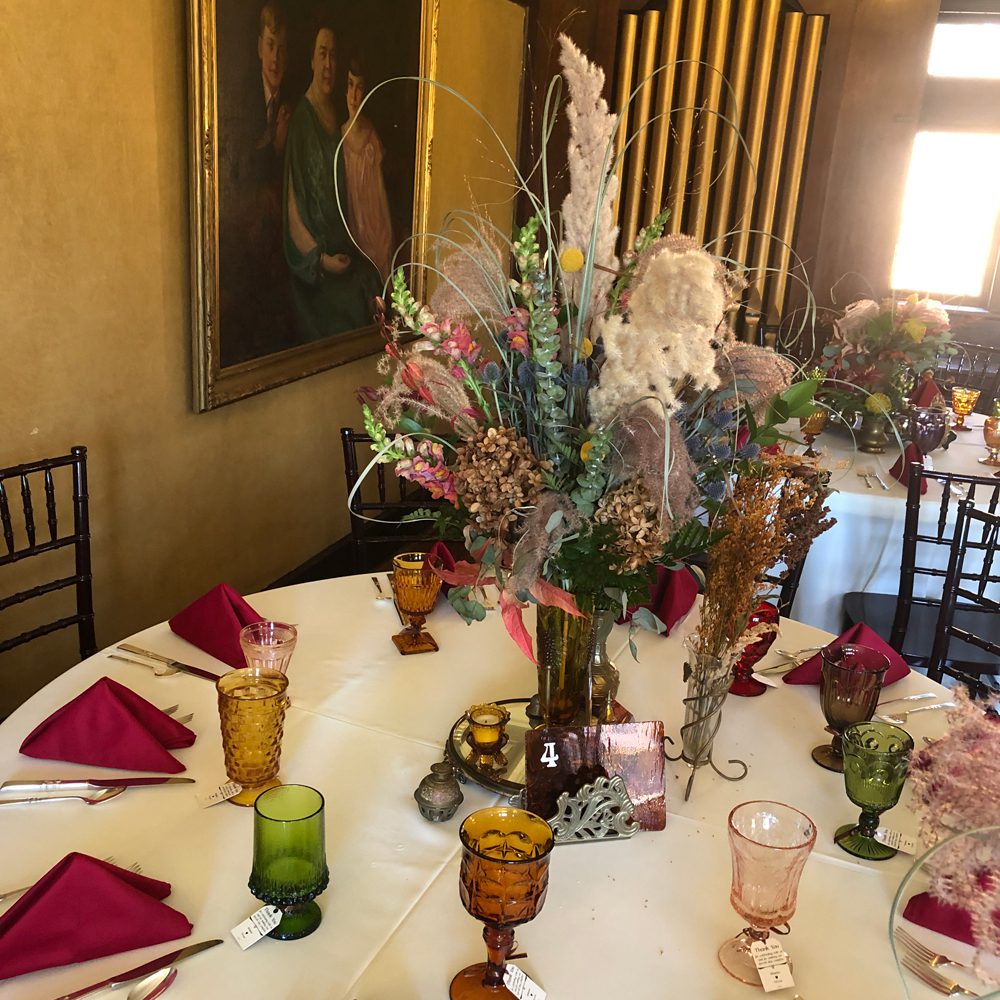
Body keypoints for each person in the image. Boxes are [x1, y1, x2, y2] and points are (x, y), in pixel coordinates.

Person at [283, 21, 380, 342]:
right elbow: (294, 215)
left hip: (347, 251)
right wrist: (321, 260)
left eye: (333, 55)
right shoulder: (301, 120)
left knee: (376, 285)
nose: (328, 65)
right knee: (355, 310)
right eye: (322, 54)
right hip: (317, 274)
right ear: (311, 60)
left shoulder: (339, 115)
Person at [340, 55, 394, 280]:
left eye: (359, 87)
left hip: (373, 226)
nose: (354, 95)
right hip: (352, 226)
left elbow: (380, 194)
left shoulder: (371, 137)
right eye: (350, 85)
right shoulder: (340, 136)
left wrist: (387, 233)